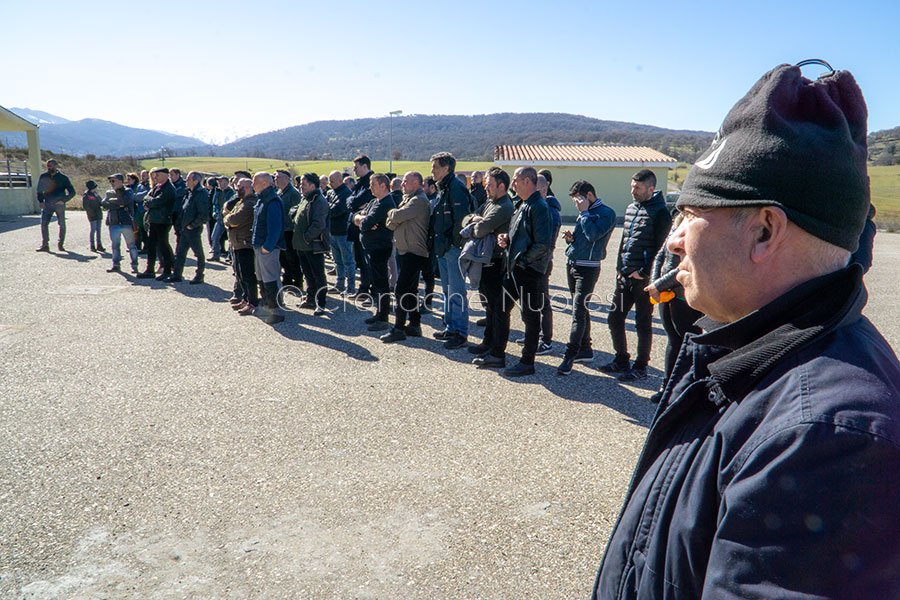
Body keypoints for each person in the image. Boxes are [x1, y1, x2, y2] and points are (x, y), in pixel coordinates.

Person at [591, 62, 900, 600]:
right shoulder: (747, 348)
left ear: (764, 230)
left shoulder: (826, 438)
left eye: (690, 214)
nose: (674, 240)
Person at [601, 168, 671, 381]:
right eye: (632, 186)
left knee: (643, 323)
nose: (633, 191)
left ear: (650, 189)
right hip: (624, 277)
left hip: (643, 281)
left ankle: (641, 366)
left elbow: (662, 248)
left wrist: (645, 273)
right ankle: (621, 359)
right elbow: (624, 242)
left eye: (638, 187)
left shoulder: (661, 212)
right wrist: (619, 269)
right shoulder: (631, 208)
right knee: (614, 318)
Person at [496, 167, 552, 376]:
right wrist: (506, 239)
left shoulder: (539, 207)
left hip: (528, 270)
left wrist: (523, 261)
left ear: (528, 181)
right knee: (501, 307)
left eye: (516, 180)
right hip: (516, 268)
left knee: (530, 316)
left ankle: (527, 362)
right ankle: (497, 353)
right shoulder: (522, 204)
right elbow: (520, 236)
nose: (513, 184)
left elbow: (543, 244)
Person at [557, 180, 616, 375]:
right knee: (581, 310)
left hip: (588, 269)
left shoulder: (607, 213)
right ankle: (585, 349)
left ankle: (570, 355)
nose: (576, 204)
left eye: (578, 199)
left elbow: (593, 235)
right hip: (573, 263)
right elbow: (584, 237)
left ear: (589, 195)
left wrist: (583, 213)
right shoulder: (586, 211)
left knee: (578, 312)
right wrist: (571, 239)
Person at [643, 210, 703, 402]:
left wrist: (658, 285)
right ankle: (667, 387)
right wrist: (655, 282)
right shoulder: (676, 225)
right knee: (673, 340)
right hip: (666, 294)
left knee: (689, 342)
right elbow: (660, 256)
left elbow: (685, 265)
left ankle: (686, 389)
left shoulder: (696, 227)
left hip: (683, 296)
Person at [464, 167, 514, 369]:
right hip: (486, 261)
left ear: (501, 186)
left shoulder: (504, 206)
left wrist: (477, 222)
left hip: (497, 263)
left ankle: (497, 352)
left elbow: (479, 229)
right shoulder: (490, 202)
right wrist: (476, 220)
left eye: (490, 185)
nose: (486, 188)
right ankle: (488, 342)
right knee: (490, 307)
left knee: (498, 309)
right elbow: (467, 219)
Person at [380, 171, 431, 343]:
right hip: (406, 251)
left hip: (414, 252)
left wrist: (393, 213)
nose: (402, 184)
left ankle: (399, 328)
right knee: (410, 289)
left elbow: (396, 216)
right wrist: (395, 215)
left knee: (401, 289)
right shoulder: (408, 199)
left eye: (405, 181)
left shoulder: (419, 200)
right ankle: (415, 325)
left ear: (416, 182)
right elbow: (390, 224)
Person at [430, 152, 471, 350]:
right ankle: (450, 327)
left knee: (456, 291)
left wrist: (453, 244)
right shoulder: (443, 187)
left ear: (446, 168)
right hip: (443, 248)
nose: (432, 171)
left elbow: (462, 221)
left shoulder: (456, 188)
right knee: (447, 291)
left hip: (452, 248)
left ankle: (460, 332)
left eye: (435, 167)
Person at [352, 173, 396, 331]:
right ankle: (379, 313)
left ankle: (383, 318)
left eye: (373, 185)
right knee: (377, 283)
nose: (370, 188)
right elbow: (354, 217)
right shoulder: (373, 201)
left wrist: (364, 220)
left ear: (383, 185)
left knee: (381, 283)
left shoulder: (386, 203)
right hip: (371, 247)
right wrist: (361, 218)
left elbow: (366, 224)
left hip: (380, 248)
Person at [292, 172, 331, 314]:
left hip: (313, 245)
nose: (300, 186)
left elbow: (318, 224)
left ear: (312, 185)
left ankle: (321, 303)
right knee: (308, 274)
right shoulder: (306, 198)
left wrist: (306, 238)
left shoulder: (319, 200)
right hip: (302, 245)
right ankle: (310, 299)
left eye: (303, 184)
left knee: (318, 275)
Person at [251, 172, 286, 325]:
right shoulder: (262, 199)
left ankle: (276, 311)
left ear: (264, 183)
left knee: (271, 279)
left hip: (267, 248)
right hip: (260, 246)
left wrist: (267, 246)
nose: (252, 185)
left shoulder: (272, 201)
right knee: (262, 278)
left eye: (255, 182)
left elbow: (275, 227)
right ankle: (267, 306)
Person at [224, 177, 259, 315]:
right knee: (240, 274)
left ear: (248, 188)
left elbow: (234, 219)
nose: (237, 189)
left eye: (240, 187)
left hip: (245, 243)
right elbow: (228, 215)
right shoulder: (241, 201)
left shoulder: (250, 203)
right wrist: (228, 218)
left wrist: (227, 218)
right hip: (237, 243)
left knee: (248, 275)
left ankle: (252, 302)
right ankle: (245, 299)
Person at [169, 171, 210, 284]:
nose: (186, 181)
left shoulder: (201, 194)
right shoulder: (188, 192)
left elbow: (203, 214)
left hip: (193, 229)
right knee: (180, 253)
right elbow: (183, 209)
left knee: (198, 253)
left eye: (188, 179)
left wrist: (192, 225)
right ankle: (177, 275)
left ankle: (199, 275)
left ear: (195, 181)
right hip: (184, 229)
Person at [137, 167, 176, 280]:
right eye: (155, 175)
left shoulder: (169, 188)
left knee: (163, 246)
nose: (155, 177)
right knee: (151, 246)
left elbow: (157, 201)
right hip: (154, 220)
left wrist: (149, 202)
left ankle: (167, 270)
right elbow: (146, 198)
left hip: (163, 221)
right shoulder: (157, 186)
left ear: (165, 175)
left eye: (158, 175)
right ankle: (150, 270)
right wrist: (149, 201)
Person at [346, 156, 375, 299]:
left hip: (366, 230)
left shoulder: (371, 183)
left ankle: (371, 292)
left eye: (356, 167)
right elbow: (350, 201)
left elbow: (359, 200)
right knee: (361, 261)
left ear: (365, 166)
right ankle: (363, 289)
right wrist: (355, 205)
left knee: (367, 262)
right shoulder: (360, 183)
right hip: (357, 228)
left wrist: (355, 204)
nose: (354, 170)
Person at [100, 174, 139, 274]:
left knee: (131, 246)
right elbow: (103, 203)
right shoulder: (109, 192)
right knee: (115, 246)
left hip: (126, 222)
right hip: (114, 223)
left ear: (121, 181)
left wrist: (112, 202)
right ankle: (116, 265)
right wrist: (117, 204)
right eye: (110, 181)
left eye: (113, 181)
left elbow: (124, 201)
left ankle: (134, 265)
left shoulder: (128, 191)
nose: (112, 183)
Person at [36, 159, 76, 252]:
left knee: (62, 224)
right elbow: (39, 190)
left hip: (59, 205)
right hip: (47, 204)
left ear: (56, 166)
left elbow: (72, 192)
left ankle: (60, 244)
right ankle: (45, 245)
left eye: (51, 166)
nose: (49, 168)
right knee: (44, 224)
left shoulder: (63, 178)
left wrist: (64, 200)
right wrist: (41, 201)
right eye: (48, 166)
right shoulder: (43, 176)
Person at [326, 170, 355, 294]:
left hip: (343, 232)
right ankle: (340, 284)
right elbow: (326, 207)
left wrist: (327, 206)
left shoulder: (346, 193)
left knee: (348, 261)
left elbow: (336, 210)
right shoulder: (331, 192)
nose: (330, 184)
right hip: (333, 231)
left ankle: (351, 286)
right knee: (337, 261)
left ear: (339, 180)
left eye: (332, 181)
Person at [275, 169, 304, 290]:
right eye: (275, 177)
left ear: (287, 178)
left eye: (278, 177)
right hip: (281, 229)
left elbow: (297, 213)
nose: (276, 179)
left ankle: (298, 280)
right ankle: (287, 278)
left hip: (290, 230)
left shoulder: (293, 193)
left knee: (292, 257)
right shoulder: (279, 192)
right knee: (282, 257)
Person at [209, 176, 234, 261]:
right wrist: (215, 212)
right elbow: (214, 204)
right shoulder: (217, 191)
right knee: (214, 237)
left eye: (221, 181)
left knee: (231, 239)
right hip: (219, 218)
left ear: (227, 182)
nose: (219, 183)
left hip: (229, 219)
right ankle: (216, 255)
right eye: (219, 182)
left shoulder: (232, 192)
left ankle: (230, 257)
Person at [82, 180, 105, 252]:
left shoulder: (95, 194)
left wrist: (102, 201)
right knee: (93, 230)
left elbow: (101, 202)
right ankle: (92, 245)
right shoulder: (86, 195)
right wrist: (91, 213)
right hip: (92, 215)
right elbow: (86, 206)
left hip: (98, 213)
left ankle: (99, 244)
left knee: (98, 230)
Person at [133, 170, 151, 253]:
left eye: (144, 175)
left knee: (146, 230)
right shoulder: (139, 185)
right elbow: (135, 196)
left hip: (145, 210)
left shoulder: (150, 186)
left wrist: (138, 196)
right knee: (140, 230)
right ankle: (143, 246)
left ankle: (148, 247)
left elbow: (145, 195)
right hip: (139, 211)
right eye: (141, 175)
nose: (142, 177)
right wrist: (138, 196)